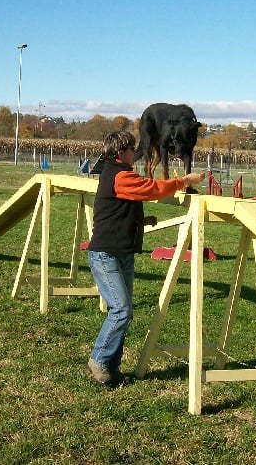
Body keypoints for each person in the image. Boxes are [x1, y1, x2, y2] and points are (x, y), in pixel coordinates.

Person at [86, 130, 204, 387]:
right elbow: (151, 189)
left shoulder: (114, 173)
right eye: (132, 149)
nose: (136, 153)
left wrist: (141, 220)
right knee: (121, 310)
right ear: (120, 153)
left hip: (121, 252)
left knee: (124, 312)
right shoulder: (119, 174)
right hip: (107, 254)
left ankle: (111, 368)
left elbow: (119, 207)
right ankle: (98, 359)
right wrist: (182, 181)